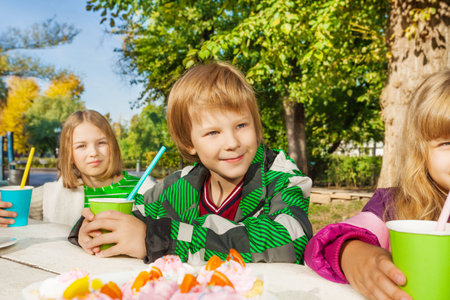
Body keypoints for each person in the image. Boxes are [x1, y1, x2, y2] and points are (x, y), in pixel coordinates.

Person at [73, 62, 313, 264]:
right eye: (213, 132)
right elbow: (134, 216)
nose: (232, 142)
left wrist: (157, 239)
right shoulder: (179, 185)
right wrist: (92, 227)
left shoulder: (282, 178)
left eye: (241, 125)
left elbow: (289, 241)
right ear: (190, 142)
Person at [304, 69, 450, 300]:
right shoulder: (393, 206)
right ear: (421, 151)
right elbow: (323, 244)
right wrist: (352, 254)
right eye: (446, 143)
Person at [0, 110, 154, 227]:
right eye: (81, 146)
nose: (93, 153)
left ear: (112, 146)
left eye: (101, 143)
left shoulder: (145, 189)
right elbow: (12, 207)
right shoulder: (53, 193)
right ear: (70, 154)